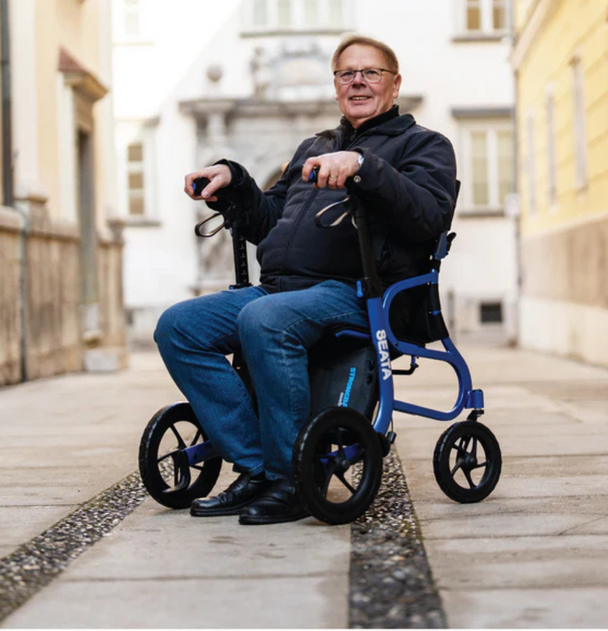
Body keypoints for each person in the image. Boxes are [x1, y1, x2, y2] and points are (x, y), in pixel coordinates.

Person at [155, 35, 457, 525]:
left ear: (395, 84)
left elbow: (428, 217)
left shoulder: (424, 146)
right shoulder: (315, 146)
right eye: (346, 74)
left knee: (263, 318)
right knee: (179, 326)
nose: (357, 81)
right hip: (279, 289)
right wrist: (234, 182)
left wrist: (364, 167)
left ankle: (292, 480)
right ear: (336, 85)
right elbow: (270, 219)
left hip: (360, 293)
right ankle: (258, 468)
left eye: (370, 72)